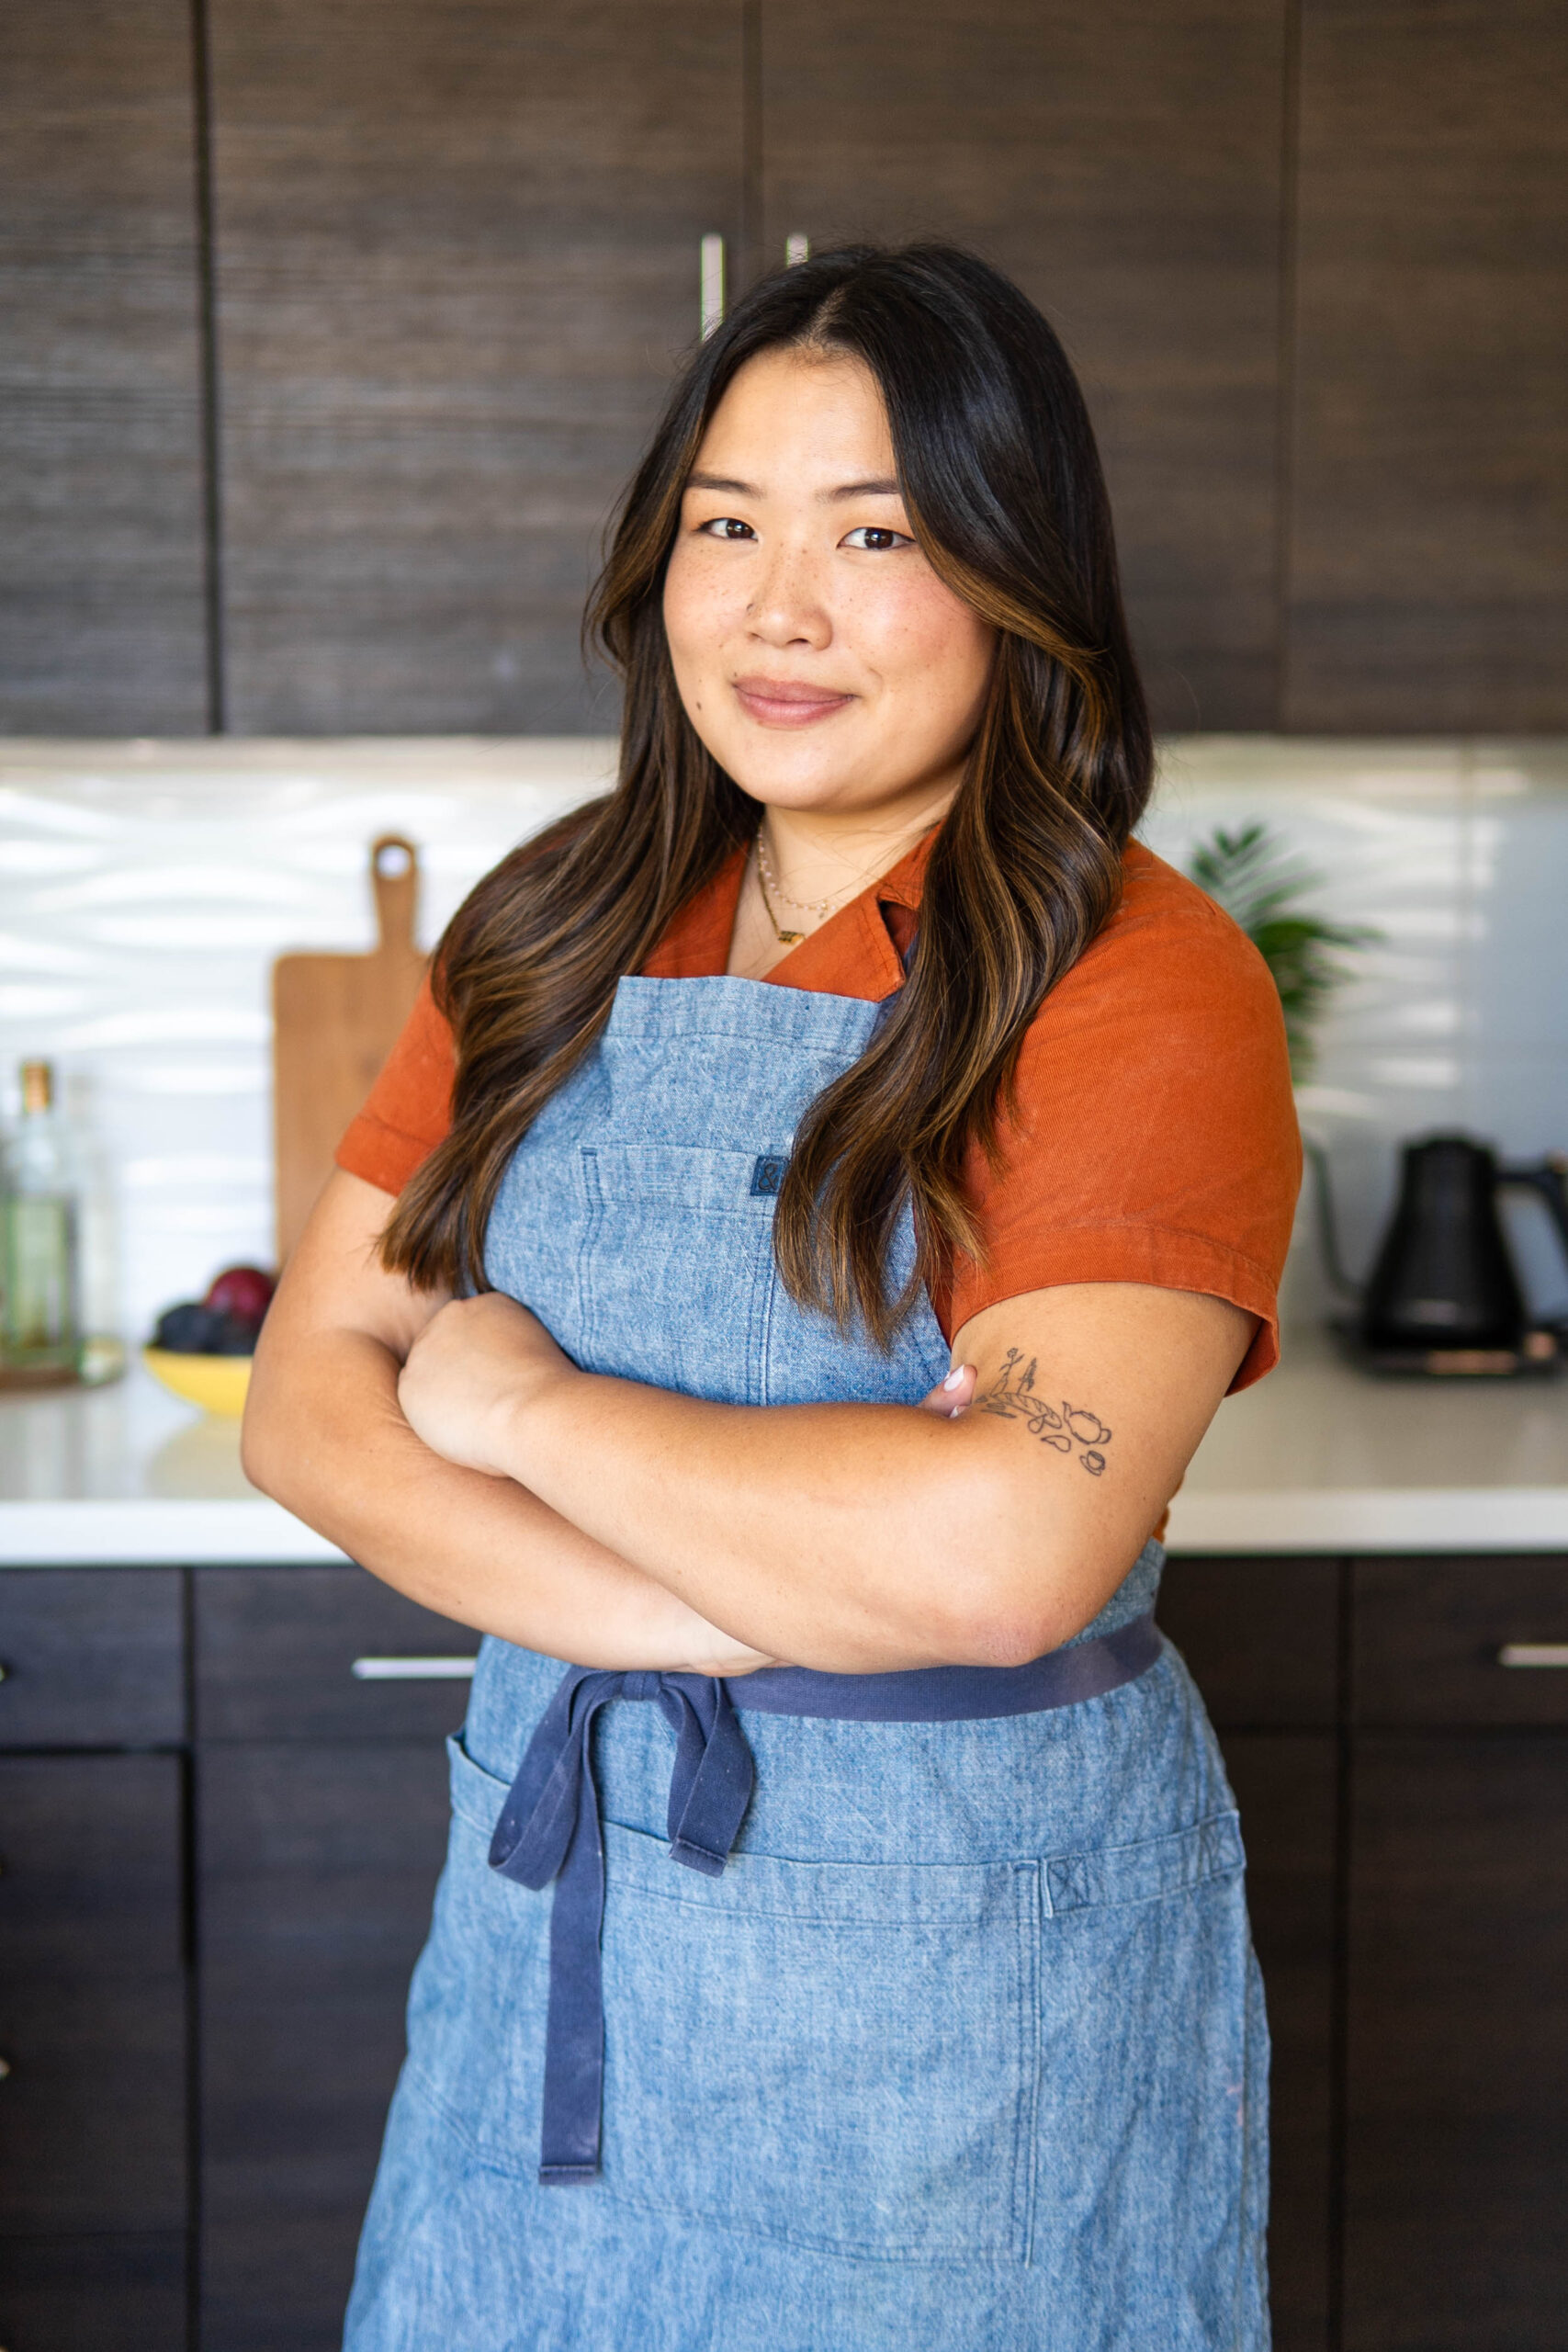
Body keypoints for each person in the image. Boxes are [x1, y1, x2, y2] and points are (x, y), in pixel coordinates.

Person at [243, 243, 1300, 2350]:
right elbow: (310, 1402)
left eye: (874, 535)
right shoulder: (548, 926)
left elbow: (1004, 1549)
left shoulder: (1133, 978)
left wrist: (523, 1405)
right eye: (725, 524)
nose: (774, 607)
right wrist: (697, 1608)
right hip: (560, 1906)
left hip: (958, 2006)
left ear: (1017, 575)